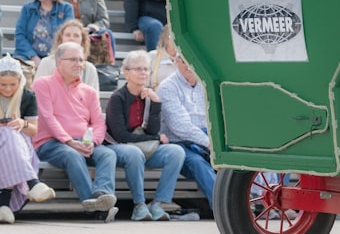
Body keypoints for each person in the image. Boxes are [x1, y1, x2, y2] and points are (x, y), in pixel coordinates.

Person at [32, 41, 119, 222]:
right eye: (73, 59)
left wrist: (92, 142)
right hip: (50, 142)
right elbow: (47, 119)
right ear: (59, 62)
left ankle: (101, 192)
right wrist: (70, 141)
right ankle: (94, 204)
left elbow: (98, 123)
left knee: (108, 154)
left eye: (81, 60)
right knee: (72, 155)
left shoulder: (89, 92)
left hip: (83, 141)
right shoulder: (43, 84)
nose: (79, 64)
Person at [105, 50, 185, 221]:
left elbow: (152, 131)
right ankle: (139, 205)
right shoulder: (117, 98)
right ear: (126, 73)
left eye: (146, 69)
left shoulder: (149, 96)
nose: (143, 73)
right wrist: (156, 139)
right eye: (138, 69)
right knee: (134, 153)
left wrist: (156, 104)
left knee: (176, 152)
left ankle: (158, 204)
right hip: (121, 149)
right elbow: (121, 136)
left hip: (143, 148)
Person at [0, 55, 56, 223]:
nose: (8, 89)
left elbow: (33, 131)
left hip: (19, 145)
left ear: (20, 81)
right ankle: (32, 183)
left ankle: (3, 205)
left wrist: (22, 123)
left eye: (13, 84)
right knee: (7, 135)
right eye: (3, 85)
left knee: (10, 137)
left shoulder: (28, 96)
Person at [158, 53, 215, 203]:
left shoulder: (206, 84)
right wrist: (209, 143)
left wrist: (211, 142)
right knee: (198, 163)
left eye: (193, 60)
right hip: (179, 143)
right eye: (184, 61)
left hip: (206, 138)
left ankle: (251, 200)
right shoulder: (167, 87)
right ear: (177, 61)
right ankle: (225, 206)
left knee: (230, 161)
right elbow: (179, 126)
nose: (189, 65)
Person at [13, 0, 74, 68]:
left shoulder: (66, 9)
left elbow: (68, 36)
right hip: (27, 57)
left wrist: (51, 60)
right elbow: (20, 35)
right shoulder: (27, 8)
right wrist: (33, 57)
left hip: (56, 57)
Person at [33, 19, 100, 92]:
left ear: (82, 40)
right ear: (61, 39)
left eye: (76, 35)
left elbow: (93, 99)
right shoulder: (46, 63)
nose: (71, 38)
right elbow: (38, 93)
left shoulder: (89, 69)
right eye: (67, 35)